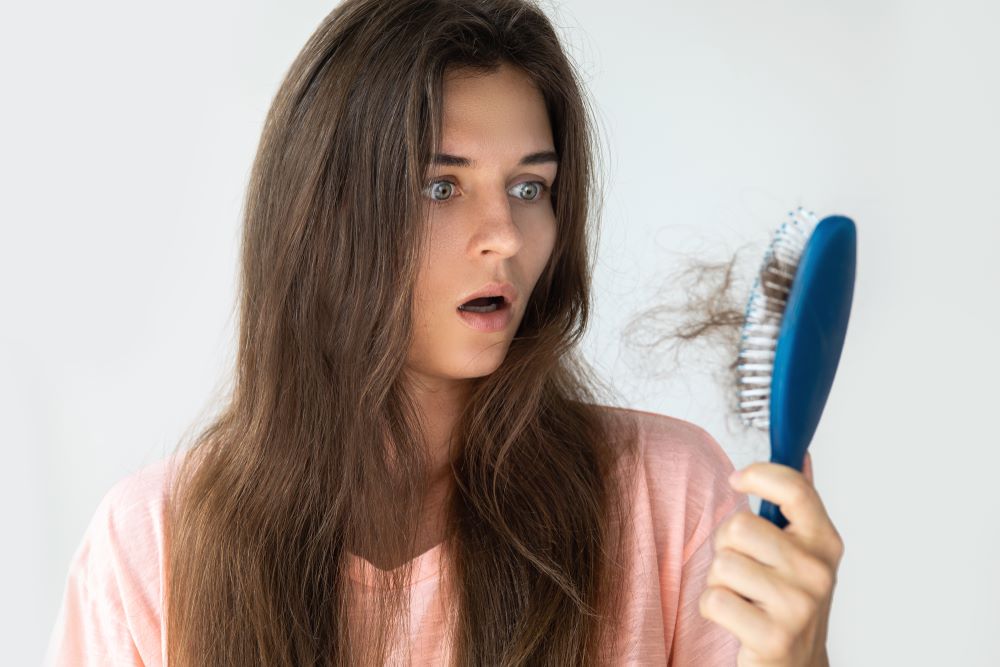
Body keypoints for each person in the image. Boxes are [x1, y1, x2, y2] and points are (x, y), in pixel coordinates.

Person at [44, 1, 842, 665]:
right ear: (322, 219)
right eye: (440, 185)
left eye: (530, 185)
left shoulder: (666, 498)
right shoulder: (155, 546)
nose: (505, 234)